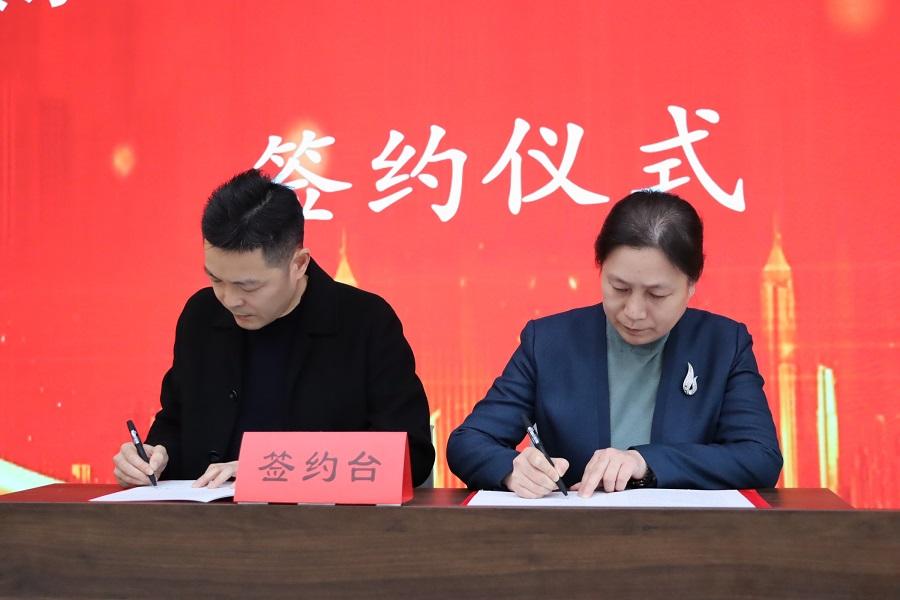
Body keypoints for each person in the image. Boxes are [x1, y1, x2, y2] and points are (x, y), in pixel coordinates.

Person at [447, 190, 782, 498]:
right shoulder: (549, 342)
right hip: (571, 535)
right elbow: (468, 442)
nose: (634, 311)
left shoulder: (723, 344)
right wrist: (512, 469)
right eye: (619, 288)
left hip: (687, 536)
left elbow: (760, 457)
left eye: (656, 294)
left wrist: (645, 462)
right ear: (600, 268)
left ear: (691, 284)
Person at [113, 169, 435, 488]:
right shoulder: (201, 315)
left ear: (298, 264)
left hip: (319, 520)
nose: (229, 300)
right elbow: (175, 423)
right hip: (206, 518)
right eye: (216, 279)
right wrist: (153, 457)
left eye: (248, 286)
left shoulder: (364, 322)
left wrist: (268, 470)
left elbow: (412, 455)